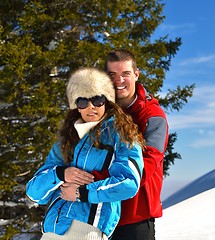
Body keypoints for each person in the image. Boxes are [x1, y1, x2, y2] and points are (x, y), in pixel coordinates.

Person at [26, 67, 144, 240]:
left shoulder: (121, 134)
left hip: (88, 229)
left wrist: (82, 193)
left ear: (107, 101)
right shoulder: (66, 141)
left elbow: (129, 182)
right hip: (52, 229)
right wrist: (61, 174)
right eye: (83, 102)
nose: (91, 107)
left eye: (97, 100)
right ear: (77, 107)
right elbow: (34, 193)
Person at [103, 49, 169, 240]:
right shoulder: (98, 111)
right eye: (112, 75)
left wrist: (90, 182)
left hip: (135, 217)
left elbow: (144, 169)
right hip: (101, 214)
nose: (119, 81)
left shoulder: (153, 117)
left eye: (125, 74)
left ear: (136, 74)